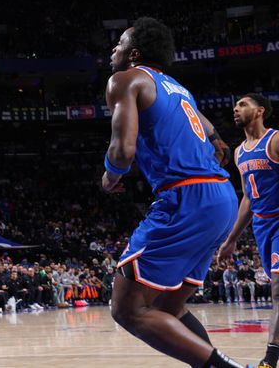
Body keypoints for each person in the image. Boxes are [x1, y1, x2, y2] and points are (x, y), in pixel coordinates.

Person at [102, 18, 248, 368]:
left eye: (119, 43)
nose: (113, 50)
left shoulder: (125, 79)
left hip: (187, 197)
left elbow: (123, 150)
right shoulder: (179, 89)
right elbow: (211, 132)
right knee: (168, 307)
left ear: (134, 53)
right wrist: (214, 139)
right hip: (221, 196)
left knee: (126, 308)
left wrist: (110, 177)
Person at [217, 93, 279, 368]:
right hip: (262, 226)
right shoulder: (240, 151)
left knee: (278, 291)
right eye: (235, 105)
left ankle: (270, 359)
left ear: (260, 111)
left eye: (243, 104)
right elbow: (247, 199)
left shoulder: (275, 140)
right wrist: (231, 239)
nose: (236, 108)